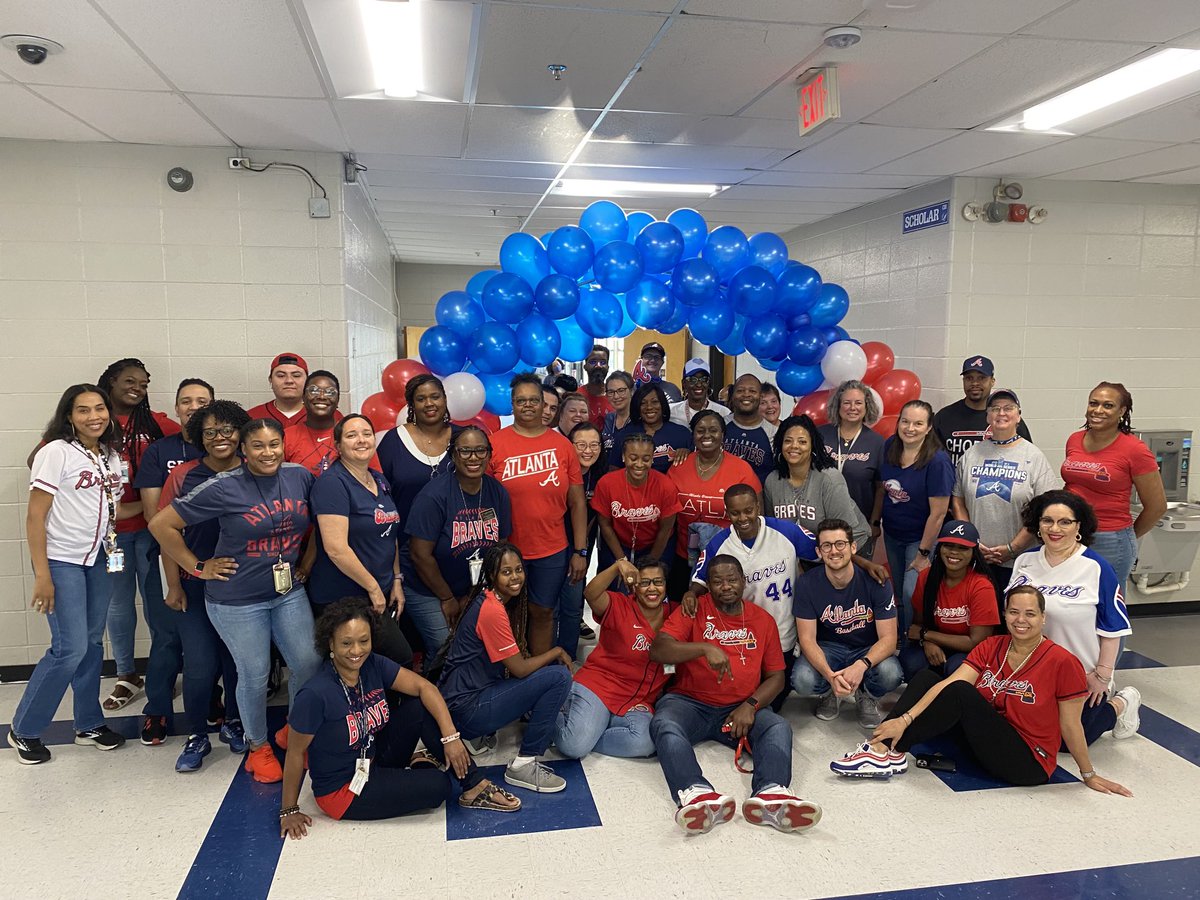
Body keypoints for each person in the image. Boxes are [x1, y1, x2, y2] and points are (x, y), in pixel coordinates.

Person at [830, 585, 1134, 798]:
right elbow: (947, 684)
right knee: (926, 677)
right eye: (1014, 612)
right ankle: (885, 749)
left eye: (1030, 614)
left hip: (1027, 759)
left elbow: (1070, 725)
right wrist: (905, 718)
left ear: (1043, 618)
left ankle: (888, 749)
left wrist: (1089, 774)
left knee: (963, 692)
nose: (1021, 620)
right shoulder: (993, 646)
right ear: (1005, 615)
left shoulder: (1063, 662)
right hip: (986, 740)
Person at [150, 418, 323, 784]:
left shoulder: (299, 476)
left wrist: (305, 562)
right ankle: (257, 747)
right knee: (255, 673)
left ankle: (292, 732)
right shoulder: (223, 486)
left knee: (308, 662)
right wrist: (198, 567)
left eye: (274, 444)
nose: (268, 452)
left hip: (286, 591)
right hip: (237, 600)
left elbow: (319, 523)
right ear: (243, 451)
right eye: (258, 446)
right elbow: (160, 525)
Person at [281, 599, 519, 837]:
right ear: (330, 643)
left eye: (364, 641)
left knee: (419, 708)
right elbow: (294, 753)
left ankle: (474, 785)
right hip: (344, 790)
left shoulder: (371, 664)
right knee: (439, 786)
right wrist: (288, 810)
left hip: (373, 755)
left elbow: (425, 688)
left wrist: (451, 737)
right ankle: (424, 769)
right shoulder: (315, 694)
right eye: (346, 643)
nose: (356, 651)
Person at [649, 555, 822, 835]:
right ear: (709, 585)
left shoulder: (762, 620)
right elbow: (659, 649)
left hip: (741, 707)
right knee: (664, 724)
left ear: (743, 582)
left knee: (778, 726)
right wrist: (704, 648)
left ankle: (771, 794)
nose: (725, 586)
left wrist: (751, 705)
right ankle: (695, 793)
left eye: (732, 579)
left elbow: (777, 677)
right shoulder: (693, 610)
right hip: (690, 703)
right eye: (717, 581)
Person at [8, 385, 130, 764]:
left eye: (99, 409)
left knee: (92, 644)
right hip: (60, 561)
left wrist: (167, 505)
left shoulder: (110, 456)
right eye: (83, 410)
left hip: (98, 558)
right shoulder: (55, 453)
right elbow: (34, 516)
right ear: (68, 416)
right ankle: (24, 729)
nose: (93, 416)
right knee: (69, 648)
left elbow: (114, 509)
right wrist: (42, 575)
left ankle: (88, 723)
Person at [156, 401, 250, 771]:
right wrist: (183, 578)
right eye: (209, 432)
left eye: (227, 430)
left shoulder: (253, 470)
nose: (219, 438)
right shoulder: (183, 475)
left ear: (241, 433)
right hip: (196, 586)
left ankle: (234, 723)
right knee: (199, 664)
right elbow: (165, 532)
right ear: (199, 437)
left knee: (238, 662)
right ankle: (197, 735)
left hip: (242, 587)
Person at [437, 543, 574, 793]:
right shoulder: (491, 609)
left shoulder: (487, 600)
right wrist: (556, 651)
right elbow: (520, 669)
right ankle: (523, 764)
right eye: (506, 572)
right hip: (467, 709)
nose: (515, 577)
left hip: (463, 698)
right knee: (559, 677)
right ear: (491, 576)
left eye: (519, 569)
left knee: (544, 678)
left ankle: (482, 735)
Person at [1008, 490, 1141, 744]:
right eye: (1047, 520)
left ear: (1079, 526)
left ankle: (1123, 702)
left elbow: (1112, 629)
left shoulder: (1096, 567)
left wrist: (1102, 676)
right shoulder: (1024, 561)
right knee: (1026, 731)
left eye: (1065, 522)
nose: (1054, 528)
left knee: (1073, 739)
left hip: (1083, 674)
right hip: (1030, 671)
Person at [133, 378, 217, 748]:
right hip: (170, 559)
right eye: (187, 401)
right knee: (168, 636)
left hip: (216, 563)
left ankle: (210, 698)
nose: (194, 407)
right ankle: (158, 708)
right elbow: (155, 514)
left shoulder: (227, 448)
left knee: (210, 642)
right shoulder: (161, 452)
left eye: (202, 401)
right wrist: (180, 572)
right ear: (177, 407)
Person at [96, 358, 180, 712]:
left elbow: (195, 439)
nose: (138, 388)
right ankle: (127, 674)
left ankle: (164, 673)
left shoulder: (157, 423)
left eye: (144, 383)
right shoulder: (93, 419)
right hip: (112, 535)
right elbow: (42, 458)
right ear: (111, 381)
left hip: (150, 532)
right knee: (118, 606)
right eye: (130, 381)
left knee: (158, 604)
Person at [684, 485, 816, 710]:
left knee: (771, 702)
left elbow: (828, 551)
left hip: (784, 632)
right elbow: (701, 577)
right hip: (747, 637)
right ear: (727, 512)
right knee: (741, 697)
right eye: (735, 513)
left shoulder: (786, 532)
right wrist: (691, 593)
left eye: (748, 510)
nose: (743, 518)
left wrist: (862, 562)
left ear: (758, 507)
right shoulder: (720, 542)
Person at [487, 374, 588, 655]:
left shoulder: (562, 446)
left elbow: (577, 503)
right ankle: (510, 672)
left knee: (542, 612)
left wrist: (580, 551)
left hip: (551, 549)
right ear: (512, 404)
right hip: (507, 550)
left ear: (544, 404)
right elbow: (482, 500)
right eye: (521, 400)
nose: (528, 405)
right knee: (505, 615)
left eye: (534, 400)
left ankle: (539, 673)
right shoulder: (495, 445)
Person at [308, 414, 411, 669]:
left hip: (379, 591)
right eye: (351, 435)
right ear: (338, 445)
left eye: (366, 433)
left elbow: (389, 531)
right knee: (390, 660)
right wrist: (374, 588)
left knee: (378, 665)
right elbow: (336, 549)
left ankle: (377, 708)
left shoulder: (378, 479)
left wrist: (396, 579)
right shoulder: (332, 484)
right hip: (345, 597)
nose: (361, 440)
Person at [403, 426, 511, 669]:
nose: (473, 458)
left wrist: (474, 594)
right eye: (465, 451)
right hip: (426, 588)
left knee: (478, 639)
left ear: (489, 454)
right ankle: (433, 697)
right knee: (446, 645)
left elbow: (500, 548)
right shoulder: (434, 496)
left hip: (472, 587)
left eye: (480, 451)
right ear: (453, 455)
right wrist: (448, 597)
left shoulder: (497, 492)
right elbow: (420, 555)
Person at [554, 556, 671, 759]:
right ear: (634, 584)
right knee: (574, 747)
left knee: (646, 743)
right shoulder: (620, 605)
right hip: (599, 687)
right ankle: (552, 709)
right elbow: (590, 593)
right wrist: (618, 565)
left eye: (658, 582)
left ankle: (588, 728)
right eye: (644, 582)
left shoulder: (675, 614)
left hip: (637, 699)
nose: (652, 588)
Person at [791, 518, 903, 729]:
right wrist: (829, 676)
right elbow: (806, 639)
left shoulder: (876, 581)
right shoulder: (807, 583)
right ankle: (830, 693)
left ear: (853, 547)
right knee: (802, 679)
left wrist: (862, 665)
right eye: (827, 545)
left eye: (840, 544)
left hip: (865, 647)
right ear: (819, 551)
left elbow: (889, 640)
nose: (834, 551)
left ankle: (866, 693)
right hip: (829, 648)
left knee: (891, 674)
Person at [1061, 382, 1167, 602]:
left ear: (1122, 411)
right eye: (1094, 403)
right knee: (1075, 604)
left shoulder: (1134, 450)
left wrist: (1125, 536)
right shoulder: (1074, 439)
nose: (1098, 410)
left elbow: (1157, 506)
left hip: (1110, 539)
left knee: (1107, 608)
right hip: (1073, 536)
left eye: (1108, 405)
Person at [952, 389, 1057, 599]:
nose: (1002, 413)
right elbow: (958, 501)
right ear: (988, 416)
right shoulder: (972, 454)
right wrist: (971, 541)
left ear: (1018, 416)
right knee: (981, 616)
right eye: (995, 409)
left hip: (1021, 561)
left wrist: (1013, 547)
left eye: (1008, 408)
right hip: (977, 559)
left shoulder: (1034, 457)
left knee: (1013, 617)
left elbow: (1046, 511)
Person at [763, 415, 883, 580]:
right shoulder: (772, 481)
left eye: (802, 441)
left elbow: (842, 534)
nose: (794, 446)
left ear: (813, 445)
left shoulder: (829, 479)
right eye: (788, 441)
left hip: (849, 549)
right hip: (808, 555)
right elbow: (775, 530)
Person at [666, 410, 761, 601]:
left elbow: (757, 516)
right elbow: (667, 513)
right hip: (683, 557)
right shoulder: (678, 466)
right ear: (692, 435)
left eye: (713, 430)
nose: (707, 435)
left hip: (728, 557)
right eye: (700, 430)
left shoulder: (740, 469)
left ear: (723, 435)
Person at [880, 400, 955, 636]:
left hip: (920, 539)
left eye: (918, 423)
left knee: (911, 593)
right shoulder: (891, 446)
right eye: (905, 421)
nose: (910, 428)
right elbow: (882, 488)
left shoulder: (938, 462)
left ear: (929, 427)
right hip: (893, 534)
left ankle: (913, 642)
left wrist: (923, 553)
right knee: (898, 593)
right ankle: (898, 638)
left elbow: (939, 512)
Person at [900, 521, 1000, 680]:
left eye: (963, 548)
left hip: (968, 650)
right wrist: (927, 641)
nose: (954, 552)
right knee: (911, 663)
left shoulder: (982, 586)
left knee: (957, 670)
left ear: (973, 552)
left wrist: (926, 635)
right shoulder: (926, 577)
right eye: (948, 546)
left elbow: (977, 642)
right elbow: (917, 625)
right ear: (940, 548)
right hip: (934, 642)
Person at [376, 373, 457, 540]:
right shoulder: (394, 440)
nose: (429, 404)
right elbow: (379, 495)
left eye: (435, 397)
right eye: (421, 399)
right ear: (412, 404)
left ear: (445, 399)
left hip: (457, 544)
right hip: (406, 543)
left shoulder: (462, 438)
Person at [593, 433, 681, 572]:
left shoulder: (666, 486)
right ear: (623, 457)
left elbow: (666, 530)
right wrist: (622, 560)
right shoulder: (606, 483)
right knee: (615, 587)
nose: (639, 464)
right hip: (617, 543)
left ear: (652, 459)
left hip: (655, 544)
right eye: (633, 458)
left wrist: (650, 563)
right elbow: (605, 525)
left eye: (646, 459)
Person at [819, 379, 885, 556]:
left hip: (859, 524)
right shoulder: (821, 435)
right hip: (822, 521)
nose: (852, 408)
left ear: (867, 406)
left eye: (858, 403)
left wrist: (875, 523)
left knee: (858, 576)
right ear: (838, 406)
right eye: (846, 403)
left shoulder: (877, 442)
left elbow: (880, 488)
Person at [557, 422, 606, 658]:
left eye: (594, 444)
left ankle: (567, 655)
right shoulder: (558, 472)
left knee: (572, 603)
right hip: (554, 544)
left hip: (581, 547)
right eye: (581, 445)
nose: (588, 450)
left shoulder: (603, 474)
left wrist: (582, 550)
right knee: (548, 606)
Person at [933, 355, 1031, 467]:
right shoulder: (944, 417)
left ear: (992, 381)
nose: (975, 383)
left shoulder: (1005, 419)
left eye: (981, 378)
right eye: (969, 378)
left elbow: (1026, 457)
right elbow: (930, 457)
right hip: (954, 483)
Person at [284, 371, 368, 476]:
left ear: (337, 400)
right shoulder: (287, 437)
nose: (322, 396)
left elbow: (372, 479)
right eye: (314, 391)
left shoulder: (355, 435)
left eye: (330, 392)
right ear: (304, 397)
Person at [613, 383, 693, 474]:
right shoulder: (624, 435)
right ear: (637, 407)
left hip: (670, 486)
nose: (649, 407)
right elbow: (614, 471)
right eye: (643, 403)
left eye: (655, 402)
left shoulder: (682, 434)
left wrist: (688, 454)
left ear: (663, 404)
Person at [723, 374, 777, 485]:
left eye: (752, 391)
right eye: (740, 391)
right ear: (732, 396)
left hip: (758, 498)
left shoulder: (773, 433)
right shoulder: (720, 425)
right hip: (720, 496)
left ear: (760, 397)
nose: (746, 394)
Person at [247, 352, 321, 428]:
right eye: (281, 376)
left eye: (296, 375)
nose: (289, 381)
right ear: (270, 380)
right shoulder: (251, 417)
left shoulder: (327, 416)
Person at [669, 358, 729, 426]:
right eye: (693, 379)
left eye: (704, 379)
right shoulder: (671, 412)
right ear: (684, 383)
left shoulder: (723, 413)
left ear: (709, 383)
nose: (699, 384)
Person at [601, 371, 634, 457]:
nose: (616, 396)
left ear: (631, 391)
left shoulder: (639, 419)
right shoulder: (609, 418)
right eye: (611, 392)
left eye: (621, 391)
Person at [582, 344, 614, 428]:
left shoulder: (616, 396)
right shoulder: (577, 395)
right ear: (585, 366)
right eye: (593, 362)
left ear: (608, 367)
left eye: (603, 362)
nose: (598, 365)